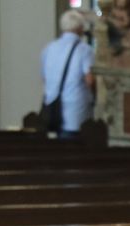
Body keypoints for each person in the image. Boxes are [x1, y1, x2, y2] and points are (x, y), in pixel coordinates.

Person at [40, 10, 95, 138]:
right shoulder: (84, 50)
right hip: (76, 110)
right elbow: (90, 80)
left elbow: (44, 78)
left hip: (53, 108)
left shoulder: (49, 49)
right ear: (80, 28)